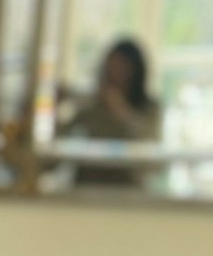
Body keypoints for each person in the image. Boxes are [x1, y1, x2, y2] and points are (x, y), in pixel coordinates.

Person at [62, 37, 160, 188]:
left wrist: (122, 112)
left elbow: (151, 158)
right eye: (111, 67)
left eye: (122, 68)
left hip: (128, 195)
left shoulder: (150, 109)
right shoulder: (90, 108)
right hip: (86, 193)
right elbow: (58, 152)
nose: (115, 74)